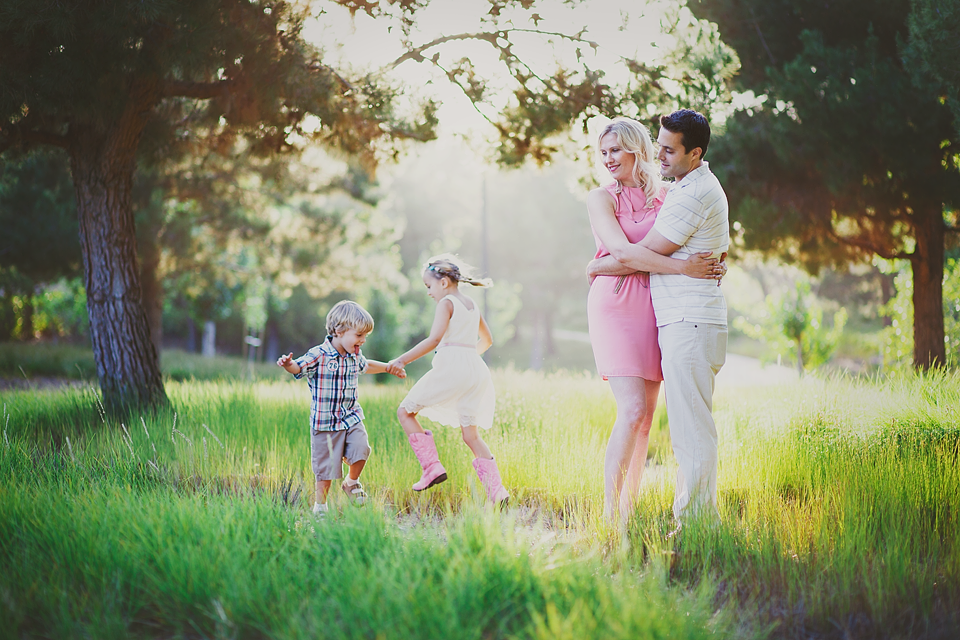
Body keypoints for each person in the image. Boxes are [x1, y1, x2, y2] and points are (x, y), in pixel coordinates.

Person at [589, 109, 729, 527]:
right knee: (632, 409)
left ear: (637, 149)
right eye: (603, 152)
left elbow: (696, 240)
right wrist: (684, 269)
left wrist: (712, 263)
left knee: (647, 419)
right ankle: (610, 514)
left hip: (657, 305)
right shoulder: (601, 198)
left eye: (616, 150)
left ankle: (628, 510)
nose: (609, 158)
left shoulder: (671, 194)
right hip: (616, 302)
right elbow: (625, 252)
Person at [385, 255, 508, 506]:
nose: (429, 292)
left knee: (405, 412)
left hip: (452, 368)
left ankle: (431, 467)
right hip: (476, 371)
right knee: (471, 436)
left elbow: (433, 340)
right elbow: (487, 340)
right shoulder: (472, 304)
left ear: (443, 282)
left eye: (429, 286)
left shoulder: (446, 303)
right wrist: (467, 359)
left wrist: (402, 360)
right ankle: (498, 493)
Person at [277, 300, 405, 517]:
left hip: (351, 417)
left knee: (362, 448)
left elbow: (366, 365)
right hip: (325, 423)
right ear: (339, 331)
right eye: (359, 335)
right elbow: (299, 367)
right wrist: (289, 364)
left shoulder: (354, 355)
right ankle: (320, 507)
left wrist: (388, 368)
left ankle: (351, 482)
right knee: (325, 471)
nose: (363, 340)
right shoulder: (319, 354)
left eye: (365, 336)